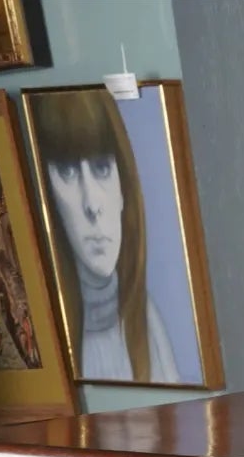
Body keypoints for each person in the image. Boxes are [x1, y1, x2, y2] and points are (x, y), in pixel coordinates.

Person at [31, 88, 179, 383]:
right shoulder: (43, 331)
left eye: (101, 168)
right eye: (68, 172)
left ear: (123, 184)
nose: (92, 204)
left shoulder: (146, 321)